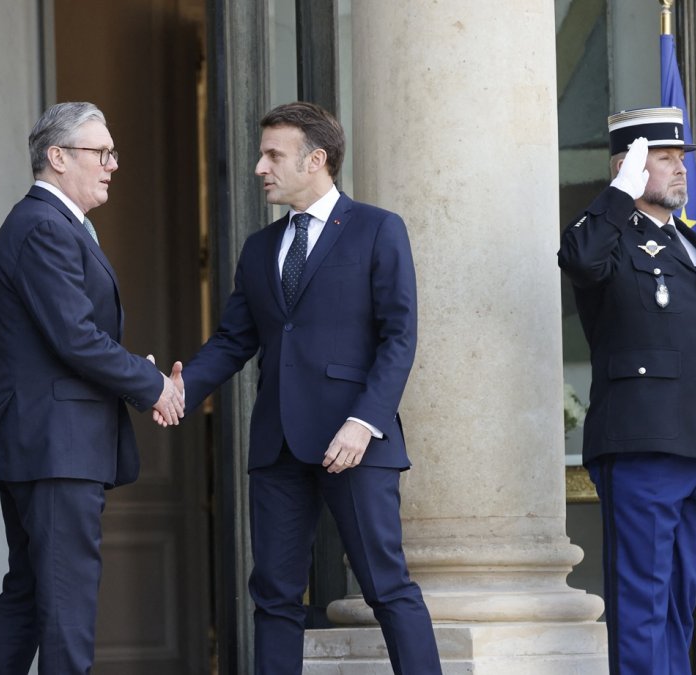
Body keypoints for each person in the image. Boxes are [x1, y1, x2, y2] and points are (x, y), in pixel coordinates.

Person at [167, 101, 442, 674]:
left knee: (386, 587)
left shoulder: (376, 228)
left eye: (273, 155)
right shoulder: (259, 249)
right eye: (262, 154)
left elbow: (400, 336)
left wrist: (364, 422)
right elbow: (232, 341)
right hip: (278, 445)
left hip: (356, 441)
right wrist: (177, 390)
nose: (260, 167)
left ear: (316, 159)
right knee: (274, 597)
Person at [0, 101, 184, 675]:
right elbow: (74, 338)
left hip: (53, 443)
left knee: (31, 598)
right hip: (55, 447)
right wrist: (149, 383)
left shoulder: (56, 225)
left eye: (112, 153)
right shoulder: (42, 227)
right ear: (56, 158)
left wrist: (135, 369)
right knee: (65, 608)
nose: (111, 165)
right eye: (99, 153)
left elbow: (71, 336)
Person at [557, 107, 696, 675]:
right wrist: (616, 194)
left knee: (679, 603)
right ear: (628, 168)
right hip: (642, 446)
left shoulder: (688, 244)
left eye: (680, 158)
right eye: (663, 158)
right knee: (641, 603)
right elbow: (579, 259)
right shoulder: (610, 236)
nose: (679, 169)